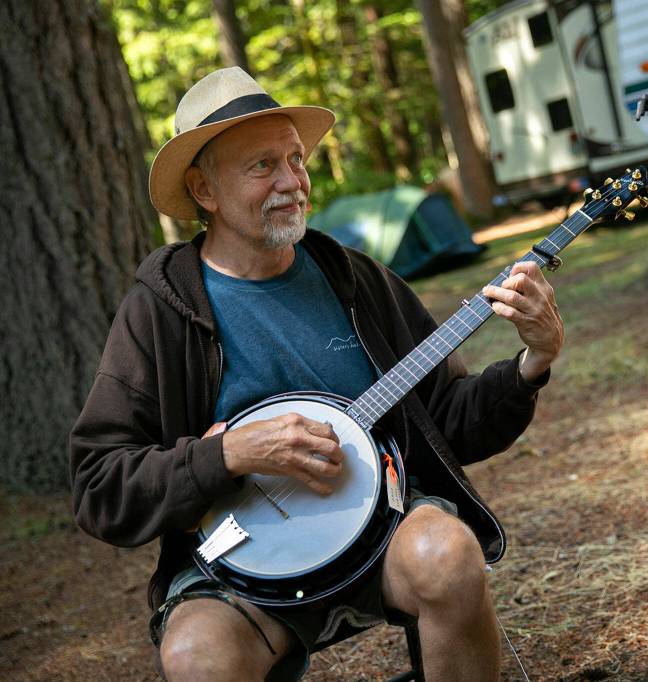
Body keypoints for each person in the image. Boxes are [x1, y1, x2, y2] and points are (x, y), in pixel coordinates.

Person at [69, 67, 564, 681]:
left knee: (448, 553)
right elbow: (98, 485)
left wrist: (532, 363)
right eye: (262, 167)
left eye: (295, 160)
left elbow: (450, 420)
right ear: (203, 190)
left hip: (383, 529)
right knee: (197, 656)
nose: (292, 183)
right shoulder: (161, 309)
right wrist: (225, 454)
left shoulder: (350, 277)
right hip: (240, 564)